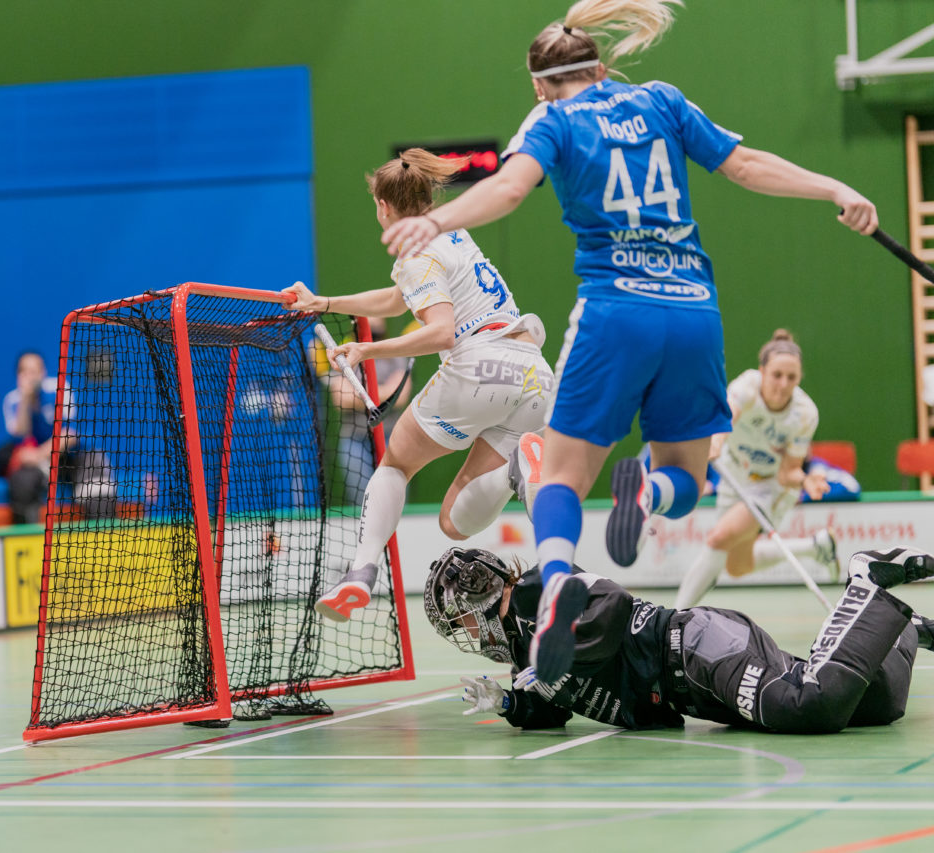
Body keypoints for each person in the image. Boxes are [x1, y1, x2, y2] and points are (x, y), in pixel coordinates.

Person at [380, 0, 878, 682]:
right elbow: (744, 164)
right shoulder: (663, 101)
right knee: (691, 473)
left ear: (539, 84)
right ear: (604, 65)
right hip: (693, 311)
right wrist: (833, 189)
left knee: (560, 475)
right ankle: (646, 490)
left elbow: (506, 190)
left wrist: (437, 224)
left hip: (616, 311)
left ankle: (557, 577)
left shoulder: (550, 120)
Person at [283, 147, 553, 624]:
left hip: (479, 365)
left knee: (395, 465)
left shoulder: (415, 253)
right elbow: (395, 298)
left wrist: (367, 351)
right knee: (454, 522)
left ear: (383, 207)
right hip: (534, 373)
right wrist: (322, 302)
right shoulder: (453, 234)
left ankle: (361, 570)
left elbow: (441, 332)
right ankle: (516, 469)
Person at [427, 546, 934, 734]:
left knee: (809, 704)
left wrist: (559, 656)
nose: (466, 635)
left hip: (690, 648)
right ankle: (900, 630)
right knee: (877, 701)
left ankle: (865, 579)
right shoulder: (523, 653)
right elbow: (554, 710)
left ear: (476, 604)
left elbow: (612, 606)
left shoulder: (540, 588)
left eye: (461, 623)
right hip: (693, 694)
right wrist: (513, 702)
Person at [675, 330, 840, 608]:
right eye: (776, 375)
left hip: (770, 487)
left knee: (718, 538)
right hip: (734, 475)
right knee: (737, 567)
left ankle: (671, 622)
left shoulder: (804, 413)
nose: (783, 384)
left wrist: (807, 481)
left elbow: (788, 473)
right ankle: (815, 546)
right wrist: (715, 441)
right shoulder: (746, 388)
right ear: (762, 371)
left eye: (792, 378)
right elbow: (725, 419)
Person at [327, 317, 413, 505]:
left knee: (394, 500)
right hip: (355, 439)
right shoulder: (344, 356)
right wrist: (382, 394)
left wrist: (360, 395)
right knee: (362, 500)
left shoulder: (396, 354)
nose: (371, 322)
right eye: (365, 316)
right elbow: (341, 397)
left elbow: (400, 395)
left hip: (391, 436)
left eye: (375, 316)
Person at [3, 350, 58, 523]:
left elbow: (70, 435)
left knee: (96, 483)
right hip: (35, 464)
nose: (30, 377)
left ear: (43, 372)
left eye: (34, 371)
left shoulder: (60, 389)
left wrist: (40, 454)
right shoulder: (12, 400)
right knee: (21, 482)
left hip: (66, 457)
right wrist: (26, 399)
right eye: (24, 372)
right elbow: (21, 434)